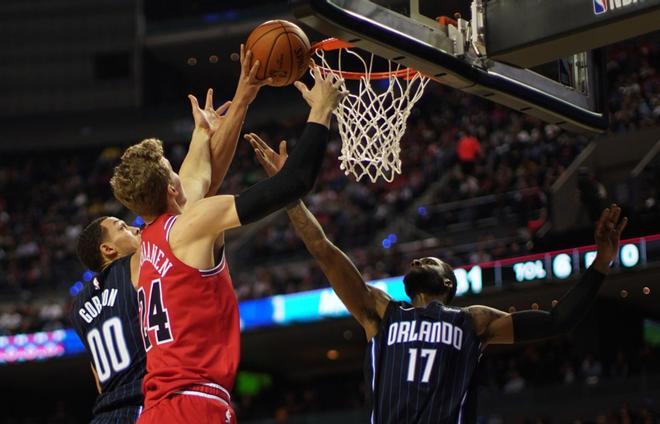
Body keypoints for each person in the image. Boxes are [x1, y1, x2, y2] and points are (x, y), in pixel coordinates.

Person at [247, 133, 628, 424]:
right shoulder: (379, 310)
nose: (417, 258)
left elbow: (559, 319)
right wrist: (289, 194)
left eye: (429, 259)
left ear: (448, 283)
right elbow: (323, 248)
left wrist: (602, 263)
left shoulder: (473, 321)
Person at [109, 67, 344, 423]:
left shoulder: (145, 245)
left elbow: (198, 172)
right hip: (193, 405)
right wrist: (321, 110)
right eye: (172, 169)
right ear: (171, 189)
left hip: (155, 409)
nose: (180, 172)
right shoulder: (192, 223)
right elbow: (294, 181)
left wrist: (233, 105)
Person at [71, 46, 267, 423]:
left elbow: (99, 380)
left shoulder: (81, 308)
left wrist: (201, 135)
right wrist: (242, 99)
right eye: (124, 227)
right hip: (150, 409)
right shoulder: (144, 255)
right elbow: (196, 189)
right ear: (108, 250)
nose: (135, 226)